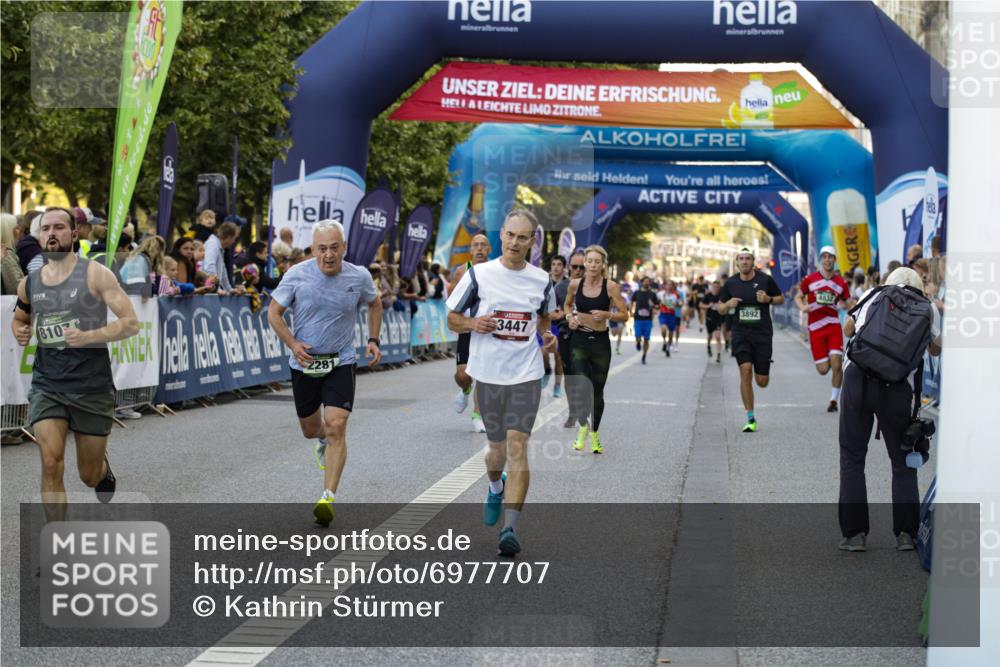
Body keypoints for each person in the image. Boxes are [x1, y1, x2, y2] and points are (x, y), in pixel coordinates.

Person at [11, 208, 139, 522]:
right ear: (38, 235)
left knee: (89, 475)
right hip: (48, 384)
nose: (51, 233)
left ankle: (102, 468)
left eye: (59, 227)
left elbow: (131, 323)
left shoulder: (96, 274)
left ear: (74, 234)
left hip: (91, 386)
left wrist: (88, 336)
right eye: (45, 229)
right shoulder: (30, 283)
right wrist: (20, 330)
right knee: (51, 462)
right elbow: (19, 318)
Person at [446, 209, 556, 556]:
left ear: (531, 241)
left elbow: (544, 321)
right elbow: (451, 319)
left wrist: (548, 336)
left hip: (526, 374)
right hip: (489, 375)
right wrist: (472, 324)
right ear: (502, 236)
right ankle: (495, 487)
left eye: (523, 237)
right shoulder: (479, 275)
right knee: (496, 452)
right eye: (510, 235)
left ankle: (510, 528)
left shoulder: (541, 280)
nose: (515, 242)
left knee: (517, 447)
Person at [267, 220, 382, 527]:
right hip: (304, 363)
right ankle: (321, 439)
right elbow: (273, 313)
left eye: (334, 248)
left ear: (344, 248)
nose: (328, 255)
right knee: (311, 429)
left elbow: (375, 303)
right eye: (322, 249)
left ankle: (327, 497)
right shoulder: (296, 275)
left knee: (337, 425)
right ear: (313, 249)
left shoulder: (358, 276)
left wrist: (373, 340)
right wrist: (292, 343)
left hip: (341, 361)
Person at [838, 267, 940, 552]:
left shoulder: (874, 294)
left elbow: (848, 328)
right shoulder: (928, 308)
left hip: (858, 378)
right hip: (896, 386)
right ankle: (906, 535)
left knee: (852, 458)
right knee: (903, 461)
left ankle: (854, 535)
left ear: (889, 282)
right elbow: (935, 349)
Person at [564, 245, 629, 454]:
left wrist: (607, 314)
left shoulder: (611, 287)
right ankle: (582, 426)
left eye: (597, 262)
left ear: (603, 265)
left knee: (597, 391)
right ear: (585, 263)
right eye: (589, 261)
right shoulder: (575, 284)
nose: (592, 265)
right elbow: (567, 306)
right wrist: (570, 318)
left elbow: (624, 314)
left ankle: (594, 434)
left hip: (600, 342)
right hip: (579, 340)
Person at [717, 247, 784, 432]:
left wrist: (768, 299)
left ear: (753, 261)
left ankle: (761, 374)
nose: (745, 262)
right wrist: (728, 304)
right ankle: (750, 417)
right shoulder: (731, 283)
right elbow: (720, 308)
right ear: (737, 262)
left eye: (748, 258)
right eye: (741, 258)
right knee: (745, 370)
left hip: (762, 335)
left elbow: (781, 298)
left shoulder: (765, 280)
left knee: (762, 381)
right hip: (741, 334)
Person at [795, 246, 852, 413]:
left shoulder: (841, 283)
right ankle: (826, 360)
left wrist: (851, 306)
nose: (828, 260)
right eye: (825, 257)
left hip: (833, 325)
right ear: (821, 259)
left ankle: (834, 400)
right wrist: (802, 307)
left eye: (831, 257)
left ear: (835, 260)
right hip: (815, 327)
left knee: (836, 364)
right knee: (823, 370)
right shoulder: (810, 280)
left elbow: (848, 304)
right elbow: (798, 296)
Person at [448, 233, 491, 432]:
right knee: (463, 374)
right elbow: (453, 302)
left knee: (482, 372)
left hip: (485, 328)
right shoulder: (460, 272)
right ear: (471, 250)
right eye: (476, 245)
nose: (480, 248)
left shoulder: (495, 271)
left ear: (489, 250)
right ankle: (465, 389)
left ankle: (477, 415)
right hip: (467, 327)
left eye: (484, 245)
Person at [560, 250, 586, 428]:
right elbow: (549, 312)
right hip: (566, 335)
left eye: (581, 267)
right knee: (569, 376)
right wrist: (568, 316)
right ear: (569, 268)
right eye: (575, 267)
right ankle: (572, 412)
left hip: (587, 336)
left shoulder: (595, 288)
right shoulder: (560, 288)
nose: (578, 270)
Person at [543, 254, 568, 397]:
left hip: (561, 325)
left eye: (559, 264)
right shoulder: (544, 282)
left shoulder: (568, 284)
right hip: (546, 323)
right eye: (553, 264)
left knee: (559, 357)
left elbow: (572, 304)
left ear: (563, 267)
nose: (556, 267)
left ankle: (557, 386)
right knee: (543, 352)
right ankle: (546, 370)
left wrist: (564, 313)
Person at [201, 222, 241, 294]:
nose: (234, 241)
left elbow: (223, 271)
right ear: (229, 237)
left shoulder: (219, 247)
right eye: (234, 238)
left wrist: (229, 289)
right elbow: (209, 266)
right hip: (207, 290)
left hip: (210, 289)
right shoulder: (213, 245)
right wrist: (216, 289)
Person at [631, 275, 660, 365]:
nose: (647, 283)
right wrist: (630, 311)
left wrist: (654, 306)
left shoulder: (652, 294)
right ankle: (638, 342)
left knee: (646, 339)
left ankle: (644, 355)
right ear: (642, 282)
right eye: (645, 281)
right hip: (638, 319)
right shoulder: (637, 293)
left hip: (648, 320)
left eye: (648, 281)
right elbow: (632, 301)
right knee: (638, 336)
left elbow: (658, 306)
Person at [699, 280, 724, 363]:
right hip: (709, 319)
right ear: (712, 287)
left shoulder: (722, 296)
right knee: (710, 336)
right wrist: (708, 306)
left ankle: (719, 355)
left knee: (717, 336)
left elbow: (726, 305)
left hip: (719, 319)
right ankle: (708, 346)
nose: (716, 288)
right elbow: (701, 305)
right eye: (714, 287)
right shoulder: (708, 296)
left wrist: (720, 306)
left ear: (719, 288)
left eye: (717, 287)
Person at [657, 279, 682, 357]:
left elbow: (680, 304)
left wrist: (677, 304)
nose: (669, 286)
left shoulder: (676, 295)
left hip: (672, 315)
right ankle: (664, 341)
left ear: (672, 286)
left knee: (671, 333)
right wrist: (658, 304)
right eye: (667, 284)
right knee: (663, 329)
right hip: (663, 314)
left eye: (670, 284)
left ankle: (668, 347)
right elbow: (656, 302)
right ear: (664, 285)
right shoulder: (660, 294)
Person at [2, 212, 24, 295]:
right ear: (8, 231)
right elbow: (15, 287)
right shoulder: (6, 254)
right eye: (17, 228)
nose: (20, 232)